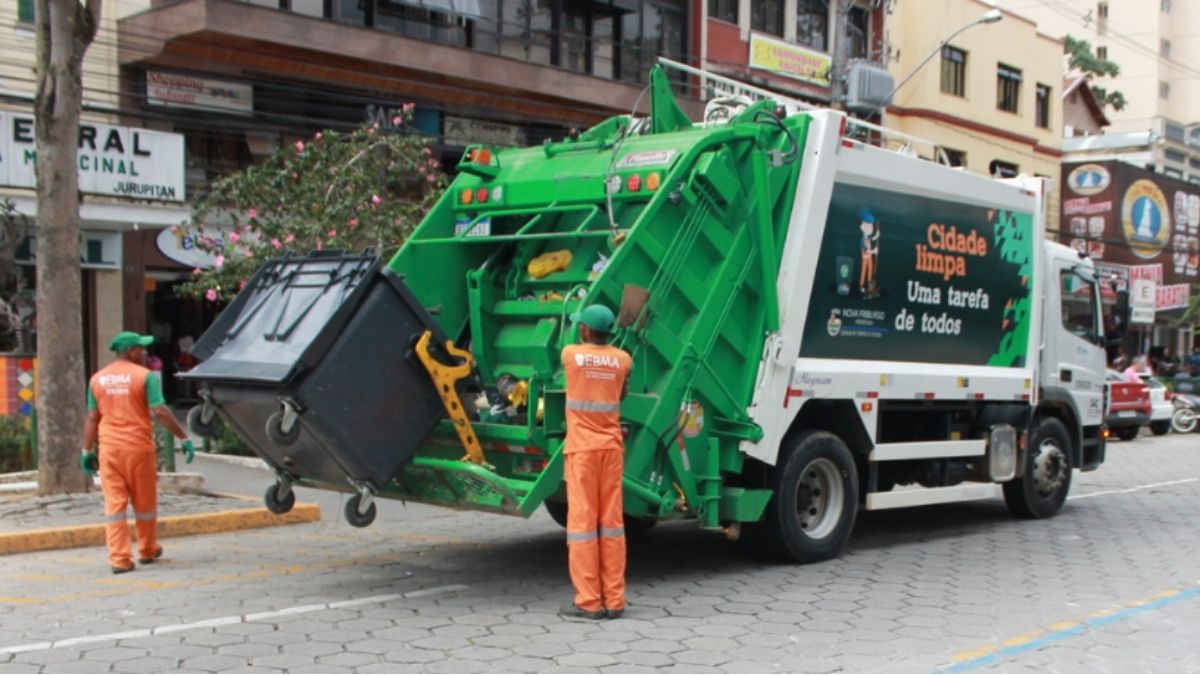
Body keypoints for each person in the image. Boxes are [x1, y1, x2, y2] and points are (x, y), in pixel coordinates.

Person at [81, 331, 196, 574]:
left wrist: (86, 450)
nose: (145, 353)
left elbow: (92, 418)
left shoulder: (97, 379)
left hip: (109, 450)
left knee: (115, 506)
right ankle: (147, 549)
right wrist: (183, 437)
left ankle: (119, 559)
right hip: (137, 449)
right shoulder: (145, 376)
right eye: (141, 349)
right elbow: (160, 412)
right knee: (144, 503)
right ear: (130, 351)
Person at [558, 304, 632, 621]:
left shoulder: (571, 355)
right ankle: (614, 600)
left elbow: (565, 347)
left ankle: (589, 602)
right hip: (611, 449)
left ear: (586, 329)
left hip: (583, 452)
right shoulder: (623, 360)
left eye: (582, 326)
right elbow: (622, 393)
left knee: (583, 527)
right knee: (612, 525)